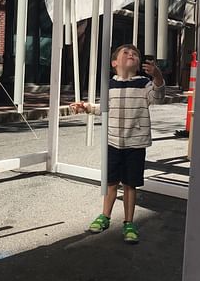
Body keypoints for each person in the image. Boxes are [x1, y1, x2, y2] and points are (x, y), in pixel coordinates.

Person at [70, 44, 165, 244]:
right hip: (113, 142)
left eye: (135, 54)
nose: (131, 55)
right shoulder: (110, 85)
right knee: (111, 182)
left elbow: (158, 96)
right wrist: (86, 107)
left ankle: (129, 222)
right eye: (126, 53)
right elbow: (104, 108)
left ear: (139, 64)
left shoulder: (143, 83)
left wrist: (157, 76)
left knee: (130, 184)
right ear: (114, 63)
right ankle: (105, 215)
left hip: (135, 143)